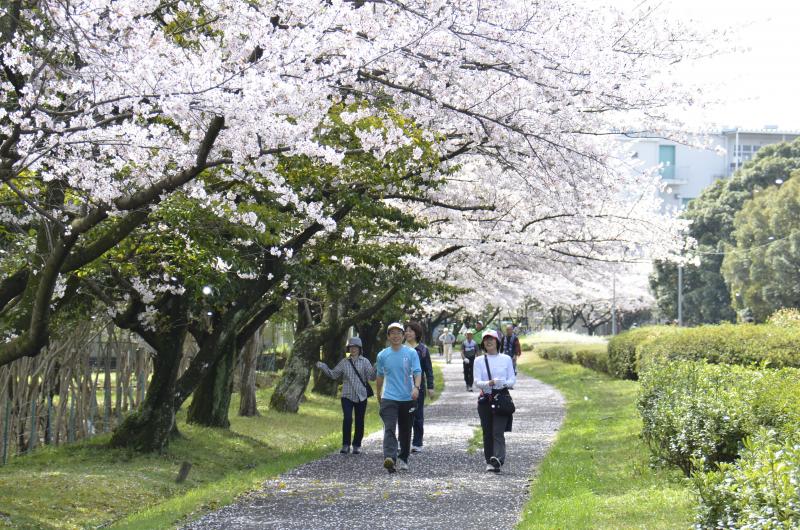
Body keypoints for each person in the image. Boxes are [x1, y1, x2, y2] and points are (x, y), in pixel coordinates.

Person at [316, 337, 376, 455]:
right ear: (348, 348)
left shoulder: (365, 362)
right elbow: (333, 375)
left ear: (359, 349)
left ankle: (357, 445)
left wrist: (377, 366)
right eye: (351, 347)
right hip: (347, 395)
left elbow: (372, 377)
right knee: (347, 419)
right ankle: (345, 444)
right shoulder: (344, 362)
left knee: (360, 421)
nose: (353, 349)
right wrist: (323, 367)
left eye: (355, 347)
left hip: (361, 396)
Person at [376, 322, 422, 473]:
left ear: (403, 336)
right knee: (389, 428)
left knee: (405, 430)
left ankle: (403, 457)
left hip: (408, 398)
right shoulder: (382, 355)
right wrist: (378, 395)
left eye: (398, 333)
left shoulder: (411, 353)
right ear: (388, 336)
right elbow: (380, 376)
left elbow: (417, 371)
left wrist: (416, 387)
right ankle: (390, 458)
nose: (395, 336)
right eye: (392, 333)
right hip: (389, 397)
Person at [473, 329, 516, 473]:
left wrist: (502, 383)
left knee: (498, 431)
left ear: (497, 342)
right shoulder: (479, 360)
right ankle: (489, 460)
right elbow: (477, 381)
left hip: (501, 397)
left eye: (491, 339)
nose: (488, 342)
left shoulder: (506, 359)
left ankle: (498, 459)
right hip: (485, 399)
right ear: (483, 344)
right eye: (486, 340)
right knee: (487, 432)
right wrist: (489, 383)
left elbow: (512, 380)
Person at [404, 321, 435, 453]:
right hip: (402, 386)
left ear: (416, 333)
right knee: (403, 416)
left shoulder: (422, 349)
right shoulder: (400, 347)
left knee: (417, 415)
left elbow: (428, 369)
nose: (408, 333)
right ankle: (403, 441)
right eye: (406, 330)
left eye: (411, 331)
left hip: (418, 387)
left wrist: (430, 386)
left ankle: (417, 443)